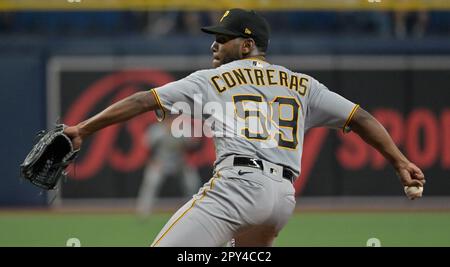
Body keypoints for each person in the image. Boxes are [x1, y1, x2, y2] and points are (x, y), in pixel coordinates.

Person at [64, 8, 426, 247]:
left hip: (236, 190)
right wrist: (399, 161)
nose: (214, 44)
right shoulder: (303, 84)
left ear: (248, 45)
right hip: (281, 199)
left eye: (223, 39)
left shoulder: (213, 79)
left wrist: (82, 129)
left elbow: (144, 100)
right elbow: (361, 118)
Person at [136, 115, 201, 219]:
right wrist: (153, 161)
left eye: (173, 118)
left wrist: (186, 159)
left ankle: (195, 210)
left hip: (179, 162)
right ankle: (143, 212)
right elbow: (146, 149)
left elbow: (194, 146)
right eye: (169, 119)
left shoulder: (184, 129)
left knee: (192, 182)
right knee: (151, 181)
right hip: (160, 162)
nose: (171, 121)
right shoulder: (156, 130)